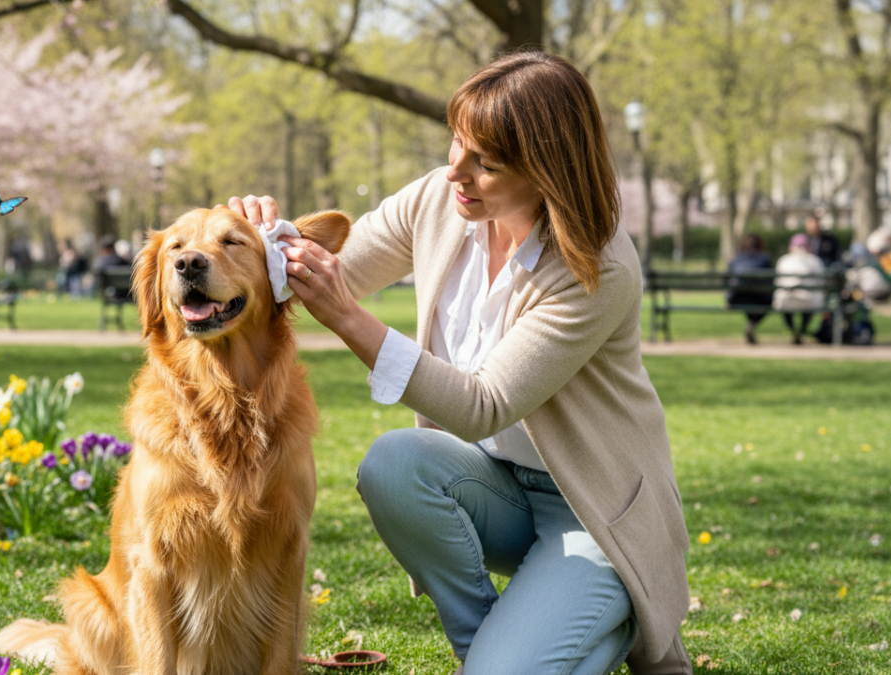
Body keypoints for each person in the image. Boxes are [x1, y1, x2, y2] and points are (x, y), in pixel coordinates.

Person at [228, 52, 691, 675]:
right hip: (492, 487)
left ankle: (613, 615)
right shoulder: (438, 203)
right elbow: (331, 269)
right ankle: (490, 648)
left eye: (486, 164)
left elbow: (483, 406)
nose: (456, 173)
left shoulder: (598, 267)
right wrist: (256, 240)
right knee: (393, 463)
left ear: (546, 172)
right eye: (457, 144)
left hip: (592, 511)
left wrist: (346, 318)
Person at [772, 233, 825, 345]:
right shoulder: (815, 260)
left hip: (786, 302)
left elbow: (777, 282)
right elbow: (822, 282)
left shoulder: (784, 260)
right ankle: (801, 331)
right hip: (810, 303)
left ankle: (794, 332)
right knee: (809, 302)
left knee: (786, 303)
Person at [726, 234, 773, 344]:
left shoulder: (736, 257)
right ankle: (752, 323)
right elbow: (770, 280)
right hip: (759, 297)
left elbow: (728, 279)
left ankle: (751, 324)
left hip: (738, 298)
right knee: (767, 302)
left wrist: (729, 299)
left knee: (749, 300)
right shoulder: (765, 258)